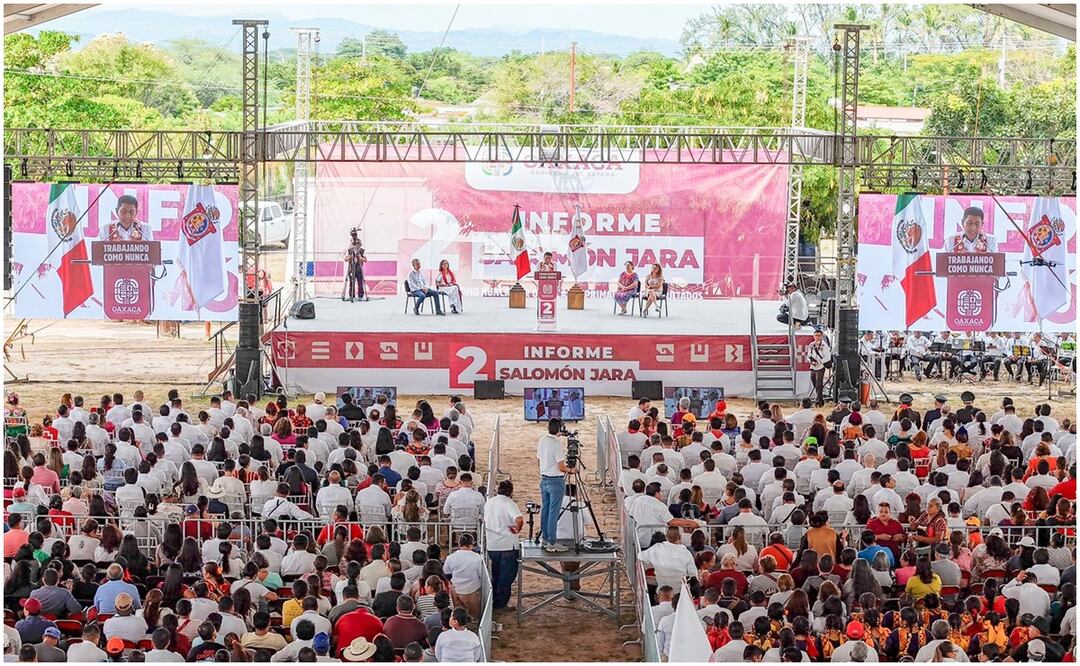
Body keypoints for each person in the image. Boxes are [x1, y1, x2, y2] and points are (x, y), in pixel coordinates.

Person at [483, 480, 523, 610]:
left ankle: (494, 600)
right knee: (506, 577)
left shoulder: (489, 502)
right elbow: (519, 519)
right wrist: (517, 529)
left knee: (496, 574)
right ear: (511, 492)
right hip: (507, 545)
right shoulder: (509, 503)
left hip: (492, 544)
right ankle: (501, 603)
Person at [537, 418, 570, 553]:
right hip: (556, 480)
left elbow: (539, 459)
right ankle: (552, 541)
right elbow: (561, 467)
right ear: (559, 429)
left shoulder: (542, 440)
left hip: (544, 479)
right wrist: (571, 470)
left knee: (545, 509)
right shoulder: (556, 444)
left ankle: (545, 538)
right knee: (553, 512)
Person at [808, 328, 831, 407]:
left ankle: (818, 402)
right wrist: (811, 361)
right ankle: (820, 399)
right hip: (813, 366)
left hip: (820, 366)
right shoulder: (811, 345)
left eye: (819, 335)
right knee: (814, 381)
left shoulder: (824, 345)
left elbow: (827, 357)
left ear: (821, 336)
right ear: (813, 336)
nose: (817, 337)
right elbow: (808, 355)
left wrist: (820, 361)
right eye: (816, 335)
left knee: (819, 383)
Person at [344, 228, 367, 302]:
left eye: (357, 244)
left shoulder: (362, 251)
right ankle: (352, 296)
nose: (356, 245)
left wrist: (360, 257)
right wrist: (350, 256)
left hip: (359, 269)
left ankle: (360, 295)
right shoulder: (349, 250)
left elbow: (365, 259)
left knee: (360, 282)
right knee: (351, 283)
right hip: (352, 268)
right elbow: (345, 259)